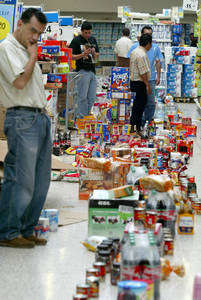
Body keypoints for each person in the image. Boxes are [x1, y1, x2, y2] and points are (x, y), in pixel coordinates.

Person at [0, 8, 51, 248]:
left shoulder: (25, 49)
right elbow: (20, 82)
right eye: (33, 31)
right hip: (21, 119)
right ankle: (8, 232)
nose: (35, 38)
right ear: (19, 24)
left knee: (41, 181)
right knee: (21, 180)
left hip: (38, 118)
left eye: (39, 34)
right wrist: (33, 56)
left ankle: (26, 228)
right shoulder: (6, 48)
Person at [128, 26, 163, 125]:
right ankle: (139, 124)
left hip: (150, 79)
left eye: (150, 35)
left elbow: (158, 62)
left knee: (150, 103)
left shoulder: (155, 47)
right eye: (146, 34)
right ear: (142, 35)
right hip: (140, 80)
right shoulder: (135, 47)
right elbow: (129, 62)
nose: (149, 36)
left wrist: (158, 76)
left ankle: (147, 122)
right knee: (139, 103)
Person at [69, 21, 99, 118]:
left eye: (89, 32)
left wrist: (94, 53)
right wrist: (83, 54)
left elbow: (97, 55)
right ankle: (80, 117)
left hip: (92, 71)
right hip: (82, 71)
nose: (87, 35)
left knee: (92, 97)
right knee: (82, 96)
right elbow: (70, 56)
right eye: (85, 33)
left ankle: (86, 115)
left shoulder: (93, 40)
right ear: (81, 31)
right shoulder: (76, 41)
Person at [129, 34, 152, 135]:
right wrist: (147, 85)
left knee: (136, 105)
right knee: (140, 105)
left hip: (134, 82)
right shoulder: (141, 54)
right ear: (148, 44)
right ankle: (137, 127)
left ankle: (134, 126)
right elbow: (143, 72)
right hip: (140, 83)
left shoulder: (135, 51)